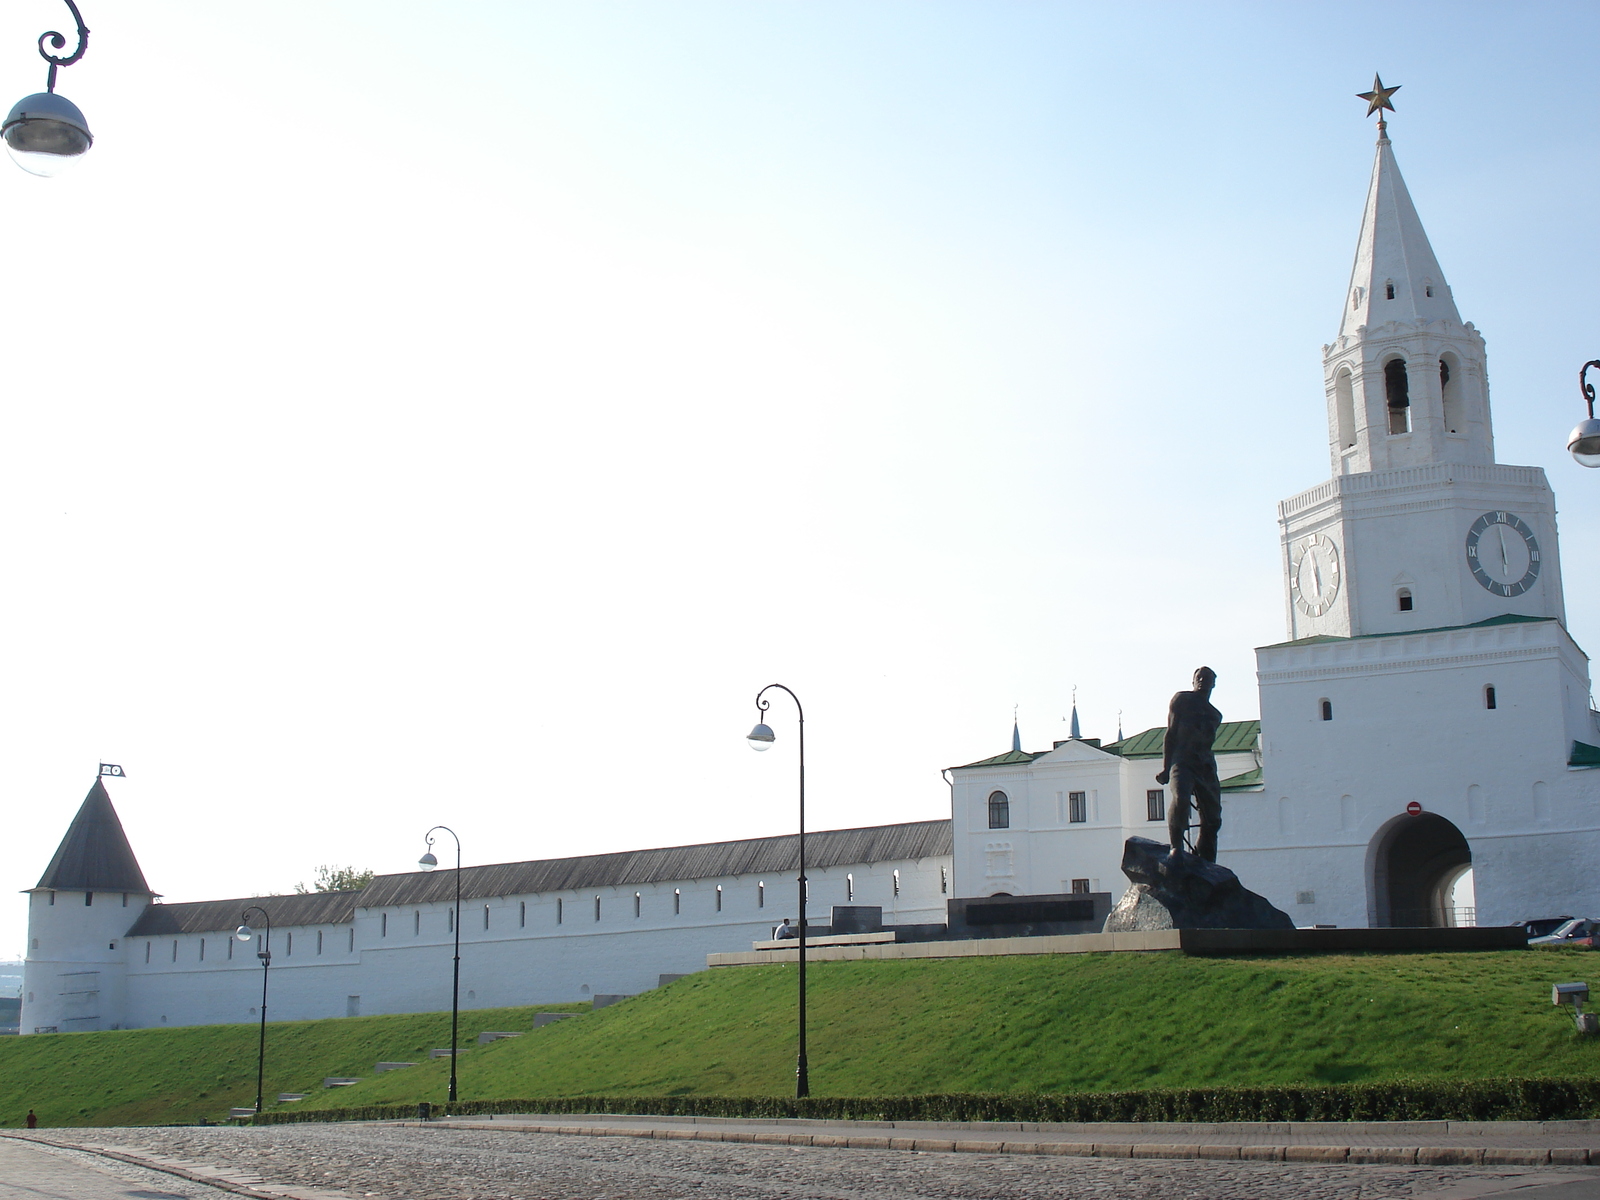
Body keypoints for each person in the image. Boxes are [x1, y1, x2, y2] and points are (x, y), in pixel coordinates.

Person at [1155, 666, 1223, 862]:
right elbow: (1171, 734)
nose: (1202, 680)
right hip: (1182, 760)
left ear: (1214, 683)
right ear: (1193, 681)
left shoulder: (1215, 715)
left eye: (1207, 677)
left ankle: (1207, 860)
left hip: (1206, 765)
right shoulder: (1182, 700)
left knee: (1213, 819)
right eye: (1199, 677)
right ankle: (1176, 847)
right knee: (1181, 798)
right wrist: (1167, 768)